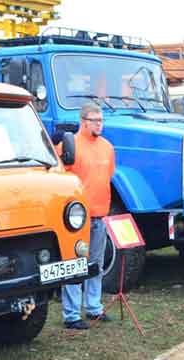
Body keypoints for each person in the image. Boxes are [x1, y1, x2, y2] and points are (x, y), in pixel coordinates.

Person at [59, 104, 115, 330]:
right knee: (73, 266)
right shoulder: (68, 145)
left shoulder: (107, 147)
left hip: (99, 217)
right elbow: (58, 178)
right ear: (83, 121)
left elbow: (108, 176)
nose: (99, 124)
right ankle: (71, 315)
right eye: (95, 120)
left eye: (101, 120)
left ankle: (93, 307)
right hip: (75, 221)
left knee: (96, 265)